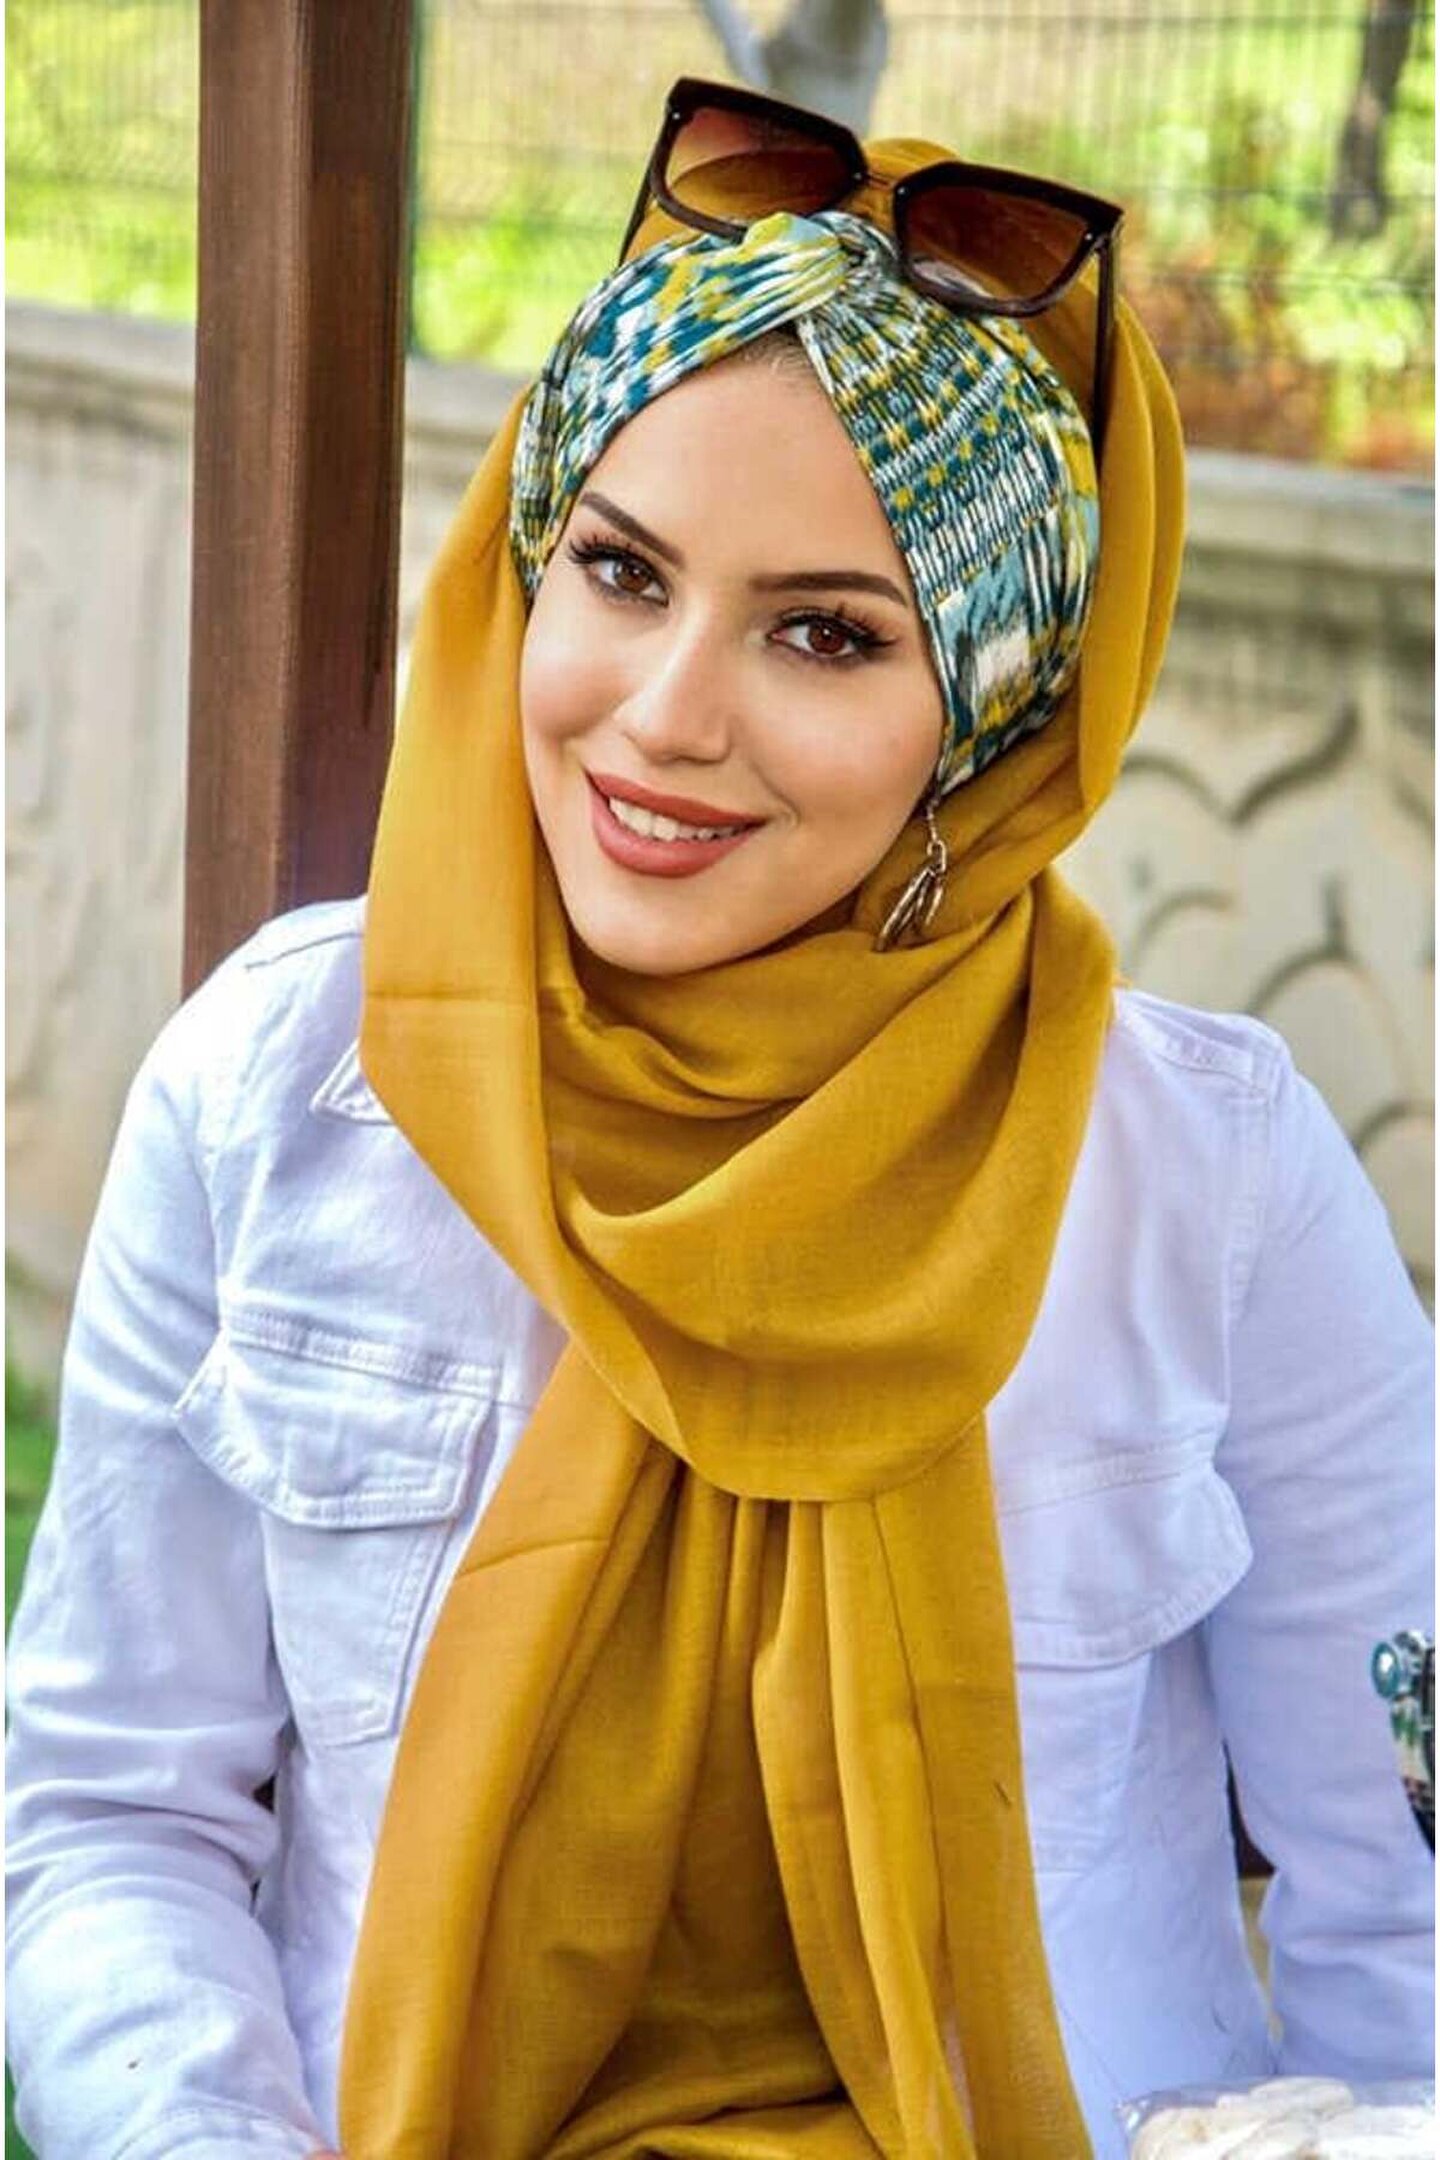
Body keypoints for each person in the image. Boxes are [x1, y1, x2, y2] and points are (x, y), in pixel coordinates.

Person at [6, 82, 1433, 2160]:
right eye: (619, 570)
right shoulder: (274, 1092)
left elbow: (1408, 1918)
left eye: (827, 633)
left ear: (995, 717)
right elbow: (112, 1818)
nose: (668, 714)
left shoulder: (1205, 1185)